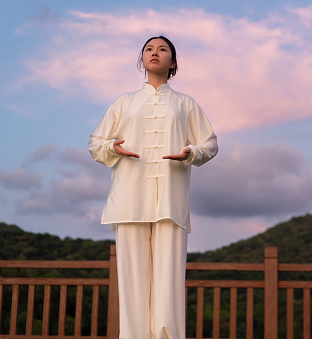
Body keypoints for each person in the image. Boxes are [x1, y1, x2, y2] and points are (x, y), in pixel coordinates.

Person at [88, 35, 218, 339]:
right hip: (129, 199)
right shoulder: (124, 102)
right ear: (142, 60)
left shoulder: (186, 104)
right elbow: (95, 143)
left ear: (172, 62)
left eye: (162, 49)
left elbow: (209, 144)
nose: (154, 53)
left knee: (169, 283)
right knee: (132, 284)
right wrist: (112, 147)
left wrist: (192, 152)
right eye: (149, 49)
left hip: (171, 202)